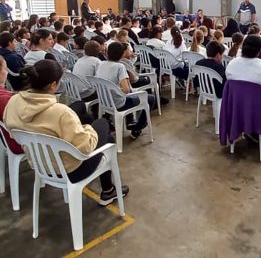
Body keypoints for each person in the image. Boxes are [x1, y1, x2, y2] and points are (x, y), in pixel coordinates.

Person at [4, 59, 129, 205]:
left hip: (38, 164)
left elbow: (13, 133)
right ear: (53, 85)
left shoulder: (13, 102)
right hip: (69, 170)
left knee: (82, 110)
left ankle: (108, 189)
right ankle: (108, 190)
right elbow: (86, 147)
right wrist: (87, 129)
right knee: (103, 127)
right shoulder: (60, 113)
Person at [97, 43, 154, 139]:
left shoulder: (101, 64)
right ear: (122, 54)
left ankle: (131, 121)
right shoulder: (120, 67)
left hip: (104, 101)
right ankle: (137, 128)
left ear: (107, 53)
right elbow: (126, 90)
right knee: (151, 98)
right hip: (119, 103)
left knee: (132, 96)